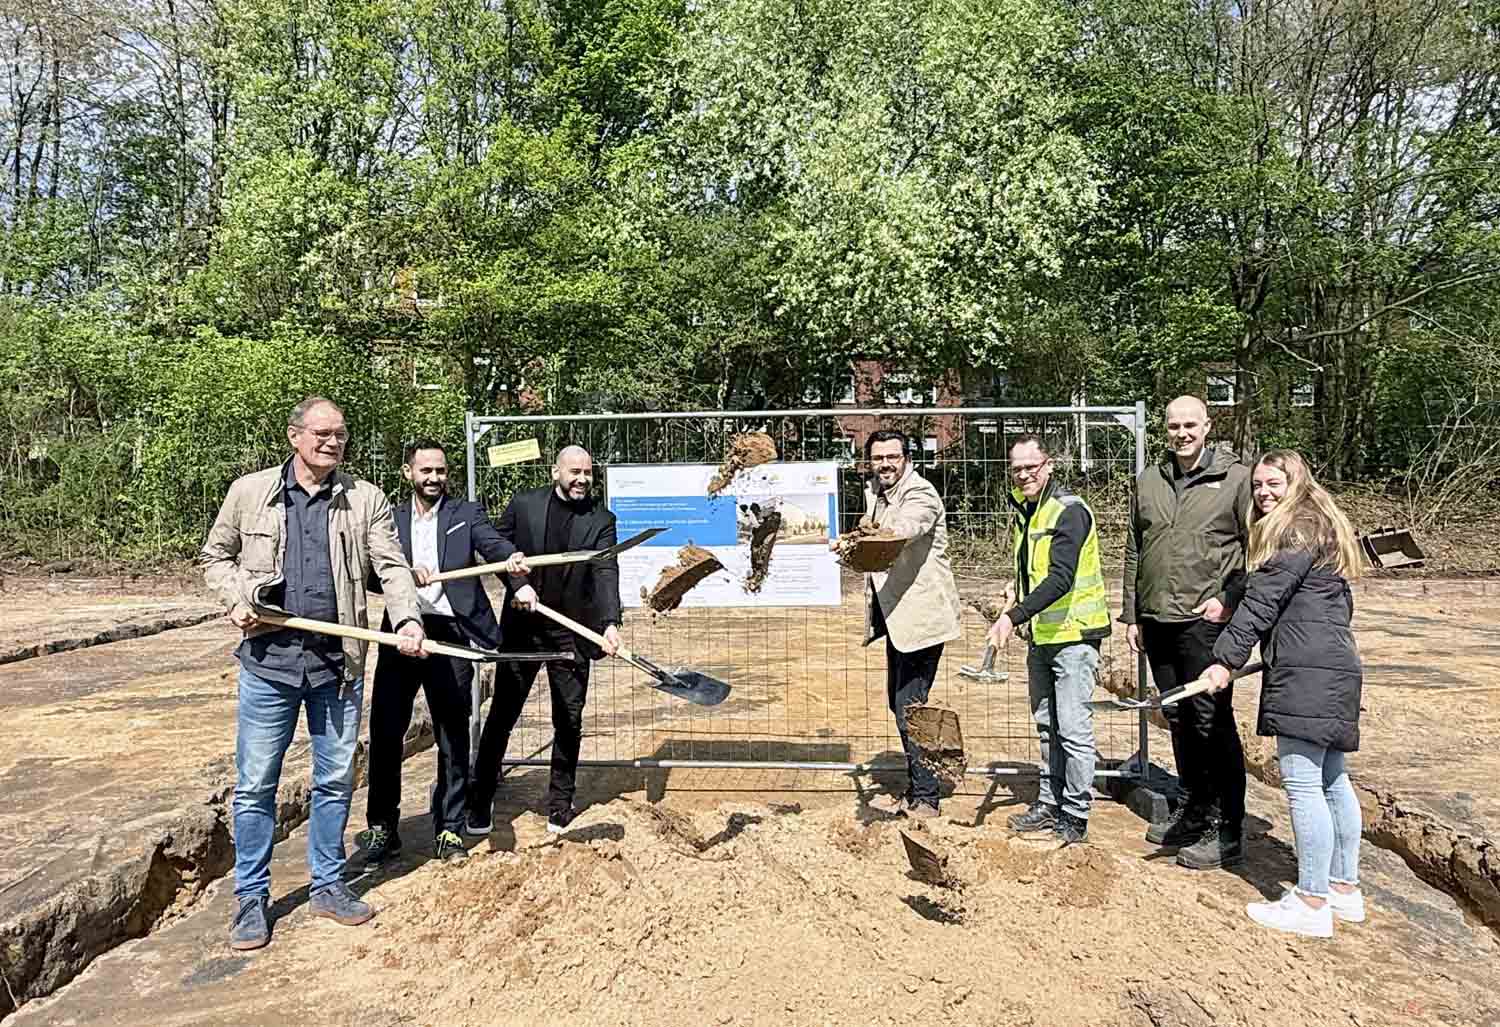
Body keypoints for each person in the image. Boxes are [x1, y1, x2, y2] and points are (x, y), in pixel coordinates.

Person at [200, 396, 425, 952]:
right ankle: (251, 898)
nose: (332, 442)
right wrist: (236, 598)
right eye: (322, 433)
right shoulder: (250, 493)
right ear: (294, 436)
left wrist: (408, 620)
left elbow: (391, 567)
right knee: (256, 785)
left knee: (335, 780)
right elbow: (215, 557)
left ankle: (328, 884)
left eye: (340, 434)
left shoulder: (365, 499)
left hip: (336, 667)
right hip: (268, 665)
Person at [1202, 450, 1365, 938]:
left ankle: (1311, 901)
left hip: (1305, 673)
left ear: (1296, 483)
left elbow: (1263, 601)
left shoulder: (1295, 531)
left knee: (1303, 784)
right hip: (1336, 664)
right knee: (1333, 779)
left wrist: (1224, 661)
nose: (1263, 492)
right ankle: (1343, 889)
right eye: (1258, 485)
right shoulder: (1324, 528)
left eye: (1274, 483)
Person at [361, 440, 527, 869]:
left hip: (450, 632)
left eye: (440, 470)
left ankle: (449, 827)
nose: (434, 478)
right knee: (385, 731)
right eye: (426, 470)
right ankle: (383, 827)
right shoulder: (389, 518)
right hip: (402, 630)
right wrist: (402, 574)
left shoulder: (465, 514)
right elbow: (371, 573)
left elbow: (493, 545)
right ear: (408, 473)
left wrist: (514, 567)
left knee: (453, 733)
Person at [1121, 395, 1254, 869]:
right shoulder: (1149, 480)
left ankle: (1228, 826)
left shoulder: (1236, 480)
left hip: (1206, 623)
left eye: (1190, 425)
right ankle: (1195, 807)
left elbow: (1256, 549)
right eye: (1174, 426)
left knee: (1210, 721)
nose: (1182, 434)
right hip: (1158, 620)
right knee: (1177, 717)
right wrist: (1132, 614)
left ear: (1207, 426)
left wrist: (1230, 599)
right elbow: (1134, 548)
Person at [467, 446, 622, 835]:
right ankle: (480, 799)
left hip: (571, 630)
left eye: (587, 472)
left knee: (568, 719)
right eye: (574, 472)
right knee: (503, 714)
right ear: (556, 472)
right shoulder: (524, 505)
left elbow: (606, 571)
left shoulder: (601, 519)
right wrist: (517, 583)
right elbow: (498, 551)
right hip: (523, 626)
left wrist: (609, 623)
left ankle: (560, 802)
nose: (582, 479)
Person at [990, 434, 1111, 843]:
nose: (1024, 474)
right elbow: (1038, 570)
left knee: (1073, 729)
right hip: (1043, 635)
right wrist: (1017, 589)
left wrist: (1013, 617)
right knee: (1047, 725)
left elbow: (1061, 577)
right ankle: (1049, 801)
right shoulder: (1030, 509)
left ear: (1049, 465)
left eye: (1032, 466)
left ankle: (1075, 814)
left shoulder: (1068, 511)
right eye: (1017, 468)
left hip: (1074, 636)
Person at [846, 429, 962, 819]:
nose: (885, 464)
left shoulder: (920, 493)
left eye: (892, 457)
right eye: (878, 458)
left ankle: (927, 798)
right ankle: (917, 788)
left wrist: (876, 536)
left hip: (922, 619)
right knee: (899, 704)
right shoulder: (877, 494)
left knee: (910, 706)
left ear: (906, 459)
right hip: (898, 619)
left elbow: (909, 526)